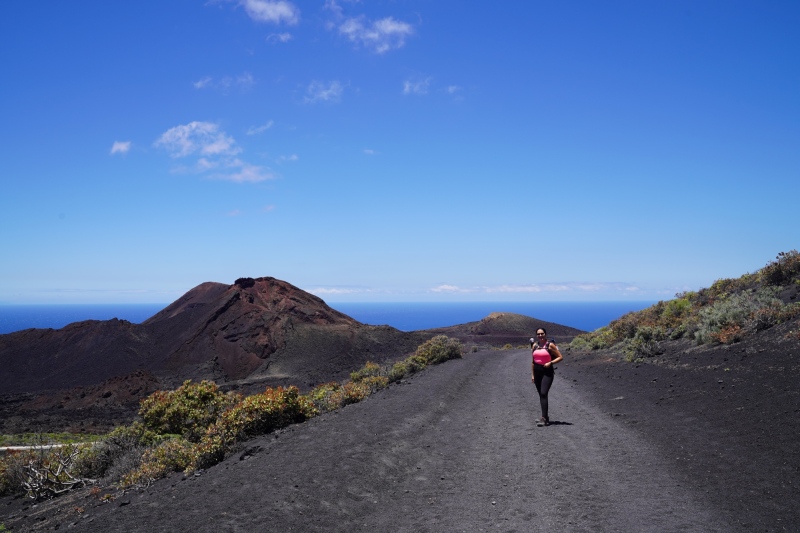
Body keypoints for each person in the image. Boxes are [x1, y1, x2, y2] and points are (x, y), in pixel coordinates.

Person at [530, 328, 563, 427]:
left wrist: (550, 363)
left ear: (545, 334)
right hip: (537, 371)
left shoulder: (550, 345)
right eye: (538, 334)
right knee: (541, 395)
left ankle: (544, 419)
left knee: (544, 393)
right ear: (536, 335)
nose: (540, 335)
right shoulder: (535, 346)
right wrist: (532, 375)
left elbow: (560, 357)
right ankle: (545, 417)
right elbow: (533, 361)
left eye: (542, 333)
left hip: (547, 372)